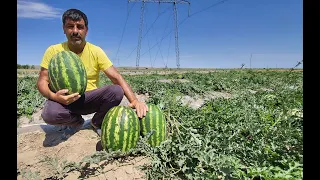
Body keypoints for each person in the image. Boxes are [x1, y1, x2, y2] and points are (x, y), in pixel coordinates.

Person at [37, 8, 148, 138]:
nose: (75, 31)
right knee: (50, 114)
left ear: (86, 30)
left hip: (87, 99)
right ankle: (76, 122)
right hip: (63, 100)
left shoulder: (95, 51)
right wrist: (55, 97)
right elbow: (42, 81)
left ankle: (96, 122)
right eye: (70, 26)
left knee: (116, 91)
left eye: (80, 27)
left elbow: (116, 77)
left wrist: (134, 101)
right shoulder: (53, 50)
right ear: (64, 29)